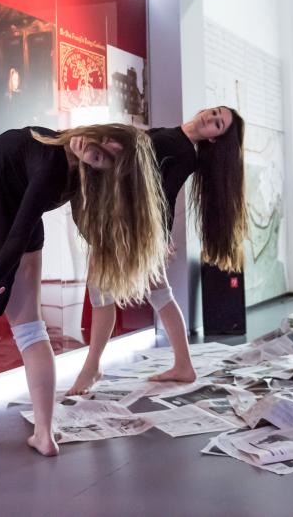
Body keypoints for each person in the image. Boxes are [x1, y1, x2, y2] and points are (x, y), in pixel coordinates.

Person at [0, 124, 167, 457]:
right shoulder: (63, 156)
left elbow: (20, 223)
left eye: (97, 157)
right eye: (99, 141)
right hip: (11, 231)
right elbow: (24, 220)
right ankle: (43, 433)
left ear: (98, 170)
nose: (88, 147)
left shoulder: (55, 165)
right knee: (30, 330)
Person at [66, 106, 248, 395]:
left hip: (135, 229)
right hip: (132, 226)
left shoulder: (183, 150)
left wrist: (159, 237)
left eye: (218, 124)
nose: (210, 119)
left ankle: (93, 368)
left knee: (108, 292)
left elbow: (160, 192)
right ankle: (181, 365)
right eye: (214, 113)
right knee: (144, 293)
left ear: (215, 138)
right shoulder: (175, 137)